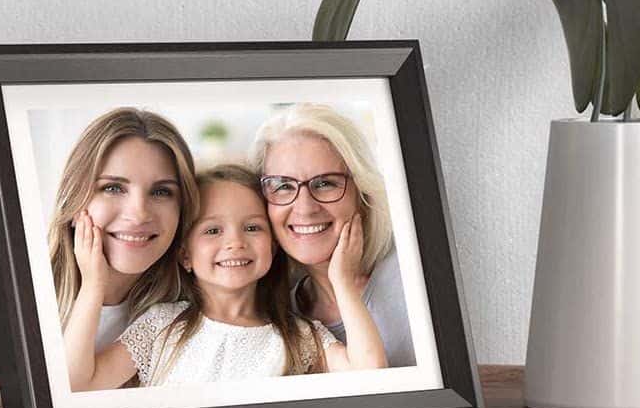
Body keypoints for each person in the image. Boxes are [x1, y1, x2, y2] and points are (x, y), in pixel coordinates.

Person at [65, 164, 387, 390]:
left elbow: (372, 377)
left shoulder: (300, 337)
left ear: (273, 246)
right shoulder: (160, 325)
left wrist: (342, 283)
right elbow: (77, 384)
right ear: (185, 254)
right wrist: (93, 285)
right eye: (212, 230)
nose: (235, 242)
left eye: (252, 227)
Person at [250, 103, 416, 367]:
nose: (305, 208)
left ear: (362, 193)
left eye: (325, 183)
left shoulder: (411, 273)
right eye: (283, 186)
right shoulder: (279, 319)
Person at [48, 107, 199, 360]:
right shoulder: (28, 294)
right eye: (113, 188)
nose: (139, 214)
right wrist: (93, 287)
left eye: (161, 192)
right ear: (74, 199)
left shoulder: (186, 316)